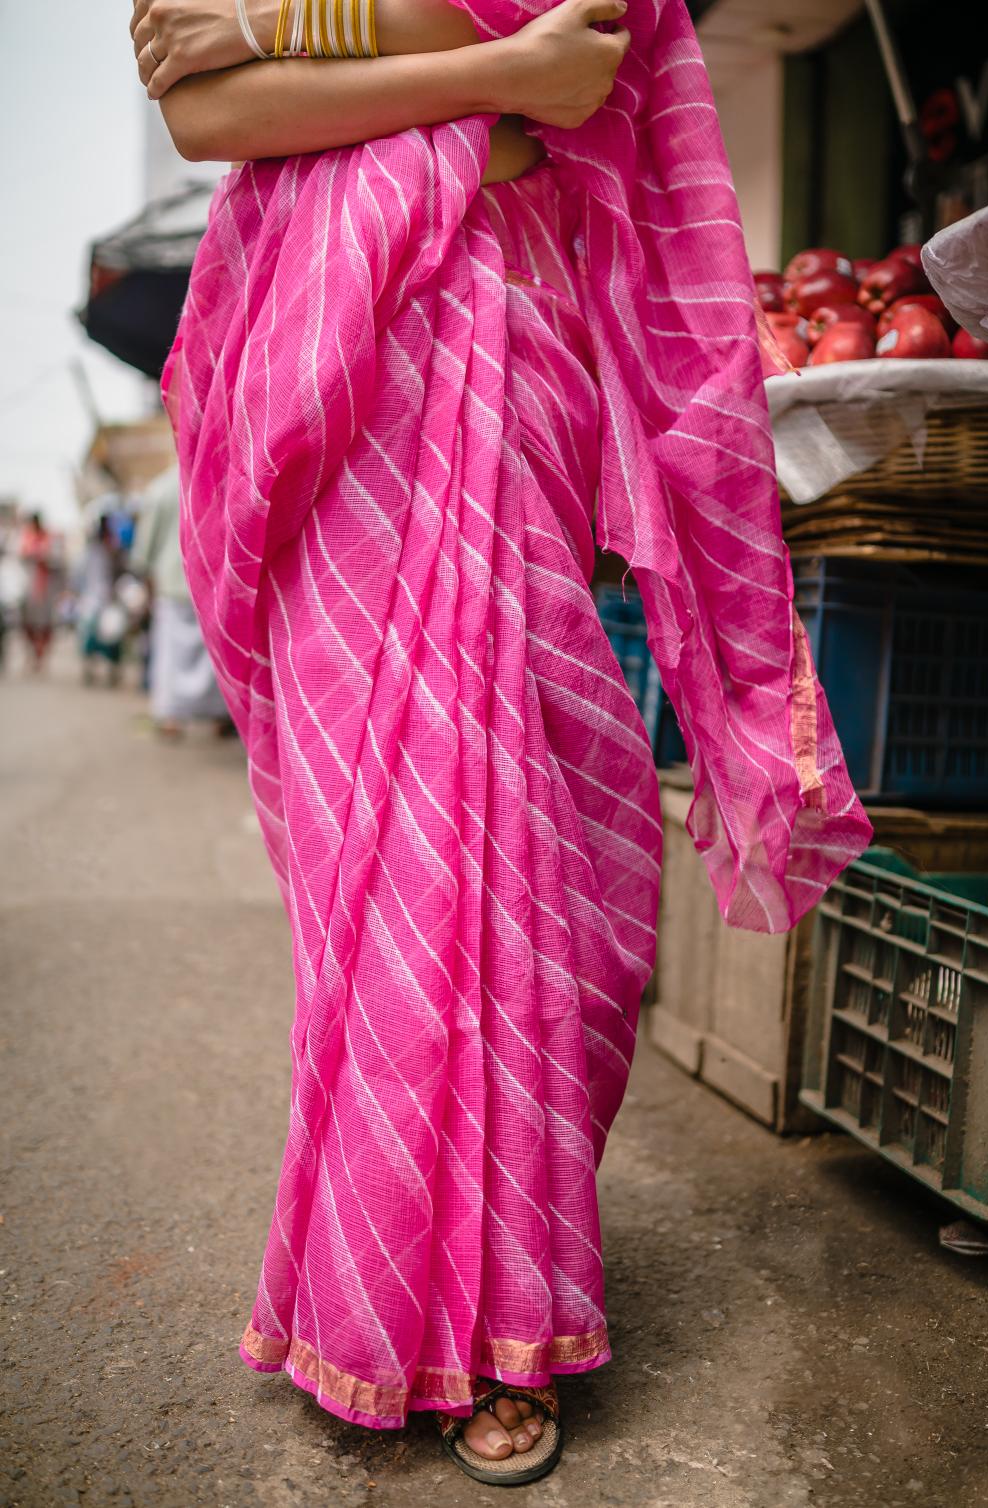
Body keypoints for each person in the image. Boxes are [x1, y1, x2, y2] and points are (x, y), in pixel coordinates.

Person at [130, 0, 872, 1485]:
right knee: (390, 863)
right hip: (332, 370)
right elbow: (205, 113)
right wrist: (491, 91)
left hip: (502, 343)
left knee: (544, 841)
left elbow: (585, 32)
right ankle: (402, 1303)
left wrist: (293, 28)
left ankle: (497, 1292)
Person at [130, 464, 230, 736]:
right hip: (212, 581)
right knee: (212, 655)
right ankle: (218, 717)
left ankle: (171, 718)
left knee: (171, 655)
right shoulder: (218, 478)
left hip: (172, 583)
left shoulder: (159, 489)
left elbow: (144, 550)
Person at [76, 515, 125, 686]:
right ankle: (90, 670)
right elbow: (80, 575)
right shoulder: (93, 551)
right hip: (93, 600)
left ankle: (111, 672)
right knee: (92, 636)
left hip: (109, 600)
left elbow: (121, 574)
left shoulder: (115, 551)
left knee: (112, 638)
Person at [17, 512, 59, 673]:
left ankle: (41, 657)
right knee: (28, 625)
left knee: (44, 626)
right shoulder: (26, 538)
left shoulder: (48, 539)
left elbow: (55, 561)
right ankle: (32, 655)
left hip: (45, 590)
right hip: (29, 589)